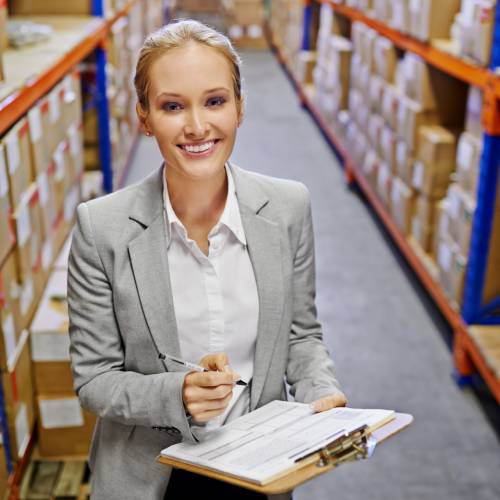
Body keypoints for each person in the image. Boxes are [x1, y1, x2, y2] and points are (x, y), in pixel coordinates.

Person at [67, 18, 346, 500]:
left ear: (240, 108)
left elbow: (300, 334)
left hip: (260, 466)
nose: (197, 126)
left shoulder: (287, 208)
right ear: (145, 117)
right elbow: (94, 379)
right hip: (150, 474)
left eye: (215, 101)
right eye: (172, 106)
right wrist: (175, 395)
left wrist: (319, 390)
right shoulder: (101, 228)